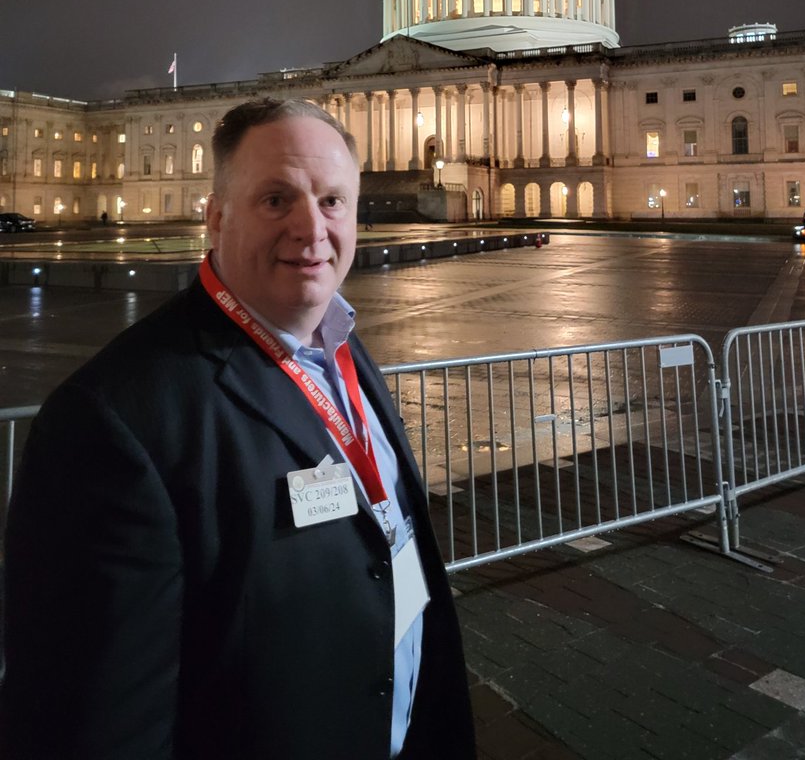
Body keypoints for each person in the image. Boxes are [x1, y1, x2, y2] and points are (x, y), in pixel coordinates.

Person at [1, 97, 475, 760]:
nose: (312, 230)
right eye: (277, 200)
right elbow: (93, 723)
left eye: (333, 201)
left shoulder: (340, 346)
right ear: (217, 217)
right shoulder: (111, 423)